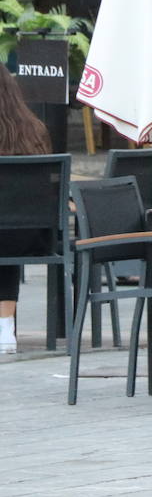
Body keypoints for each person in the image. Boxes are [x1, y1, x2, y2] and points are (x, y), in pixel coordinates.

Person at [0, 64, 51, 353]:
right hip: (34, 236)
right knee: (8, 228)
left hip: (9, 230)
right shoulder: (35, 129)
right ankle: (5, 326)